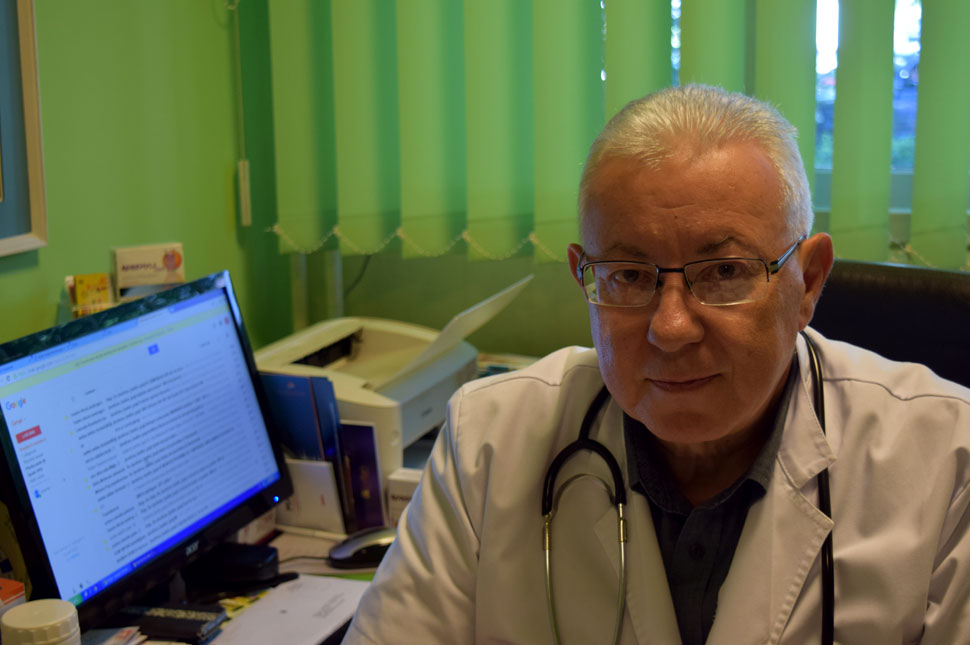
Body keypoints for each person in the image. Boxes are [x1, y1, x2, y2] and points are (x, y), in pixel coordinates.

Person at [343, 85, 970, 644]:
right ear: (584, 278)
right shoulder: (488, 439)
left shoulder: (946, 459)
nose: (670, 328)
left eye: (725, 271)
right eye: (629, 275)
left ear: (807, 282)